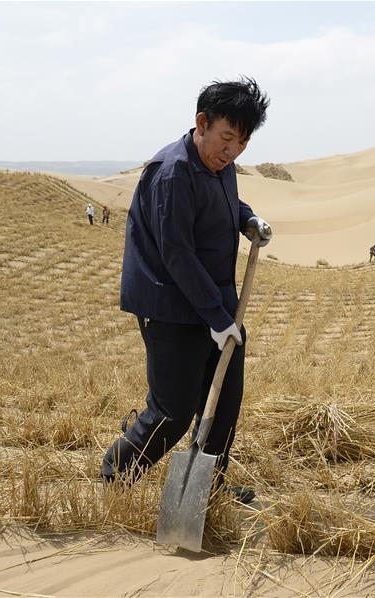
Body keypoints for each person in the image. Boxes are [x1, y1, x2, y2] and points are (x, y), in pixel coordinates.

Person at [102, 77, 272, 505]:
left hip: (214, 304)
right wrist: (217, 319)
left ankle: (204, 489)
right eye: (226, 138)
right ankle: (115, 476)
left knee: (223, 407)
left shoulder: (220, 164)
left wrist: (248, 220)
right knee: (173, 410)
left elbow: (224, 203)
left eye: (242, 143)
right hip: (171, 308)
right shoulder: (172, 172)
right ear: (202, 122)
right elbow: (176, 253)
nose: (232, 151)